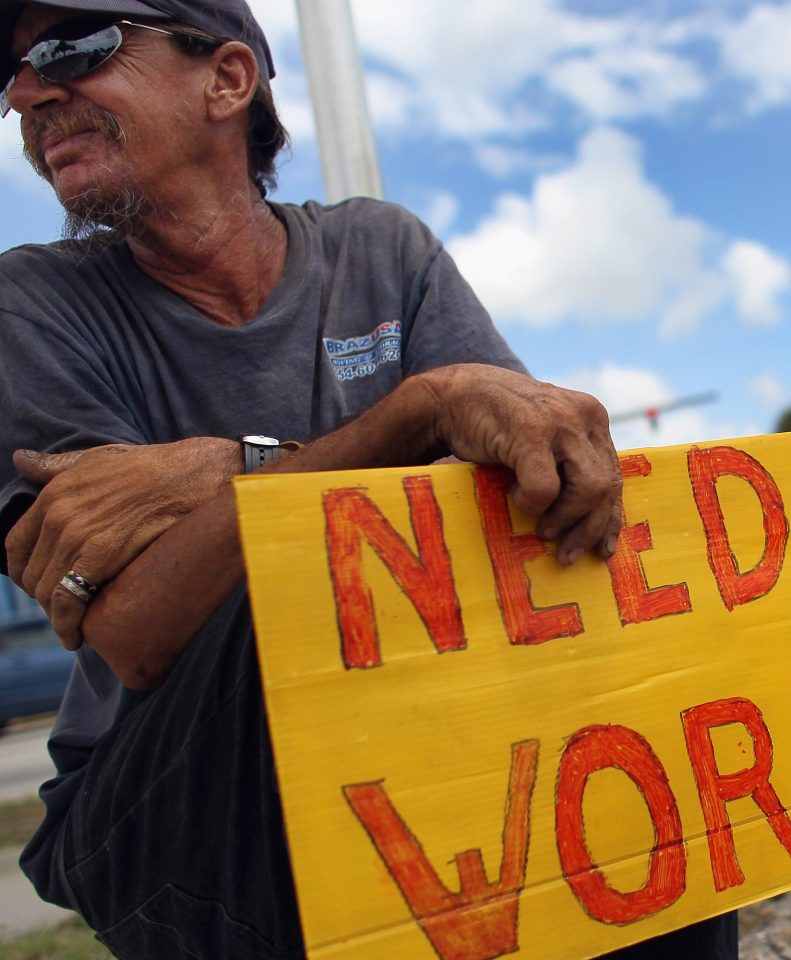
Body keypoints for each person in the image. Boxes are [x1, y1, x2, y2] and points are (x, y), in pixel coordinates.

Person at [0, 1, 738, 957]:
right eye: (14, 72)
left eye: (73, 48)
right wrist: (412, 413)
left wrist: (232, 475)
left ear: (227, 80)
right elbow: (141, 632)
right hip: (158, 797)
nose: (26, 92)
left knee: (643, 741)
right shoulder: (32, 307)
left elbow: (534, 492)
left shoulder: (383, 252)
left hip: (418, 733)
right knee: (279, 612)